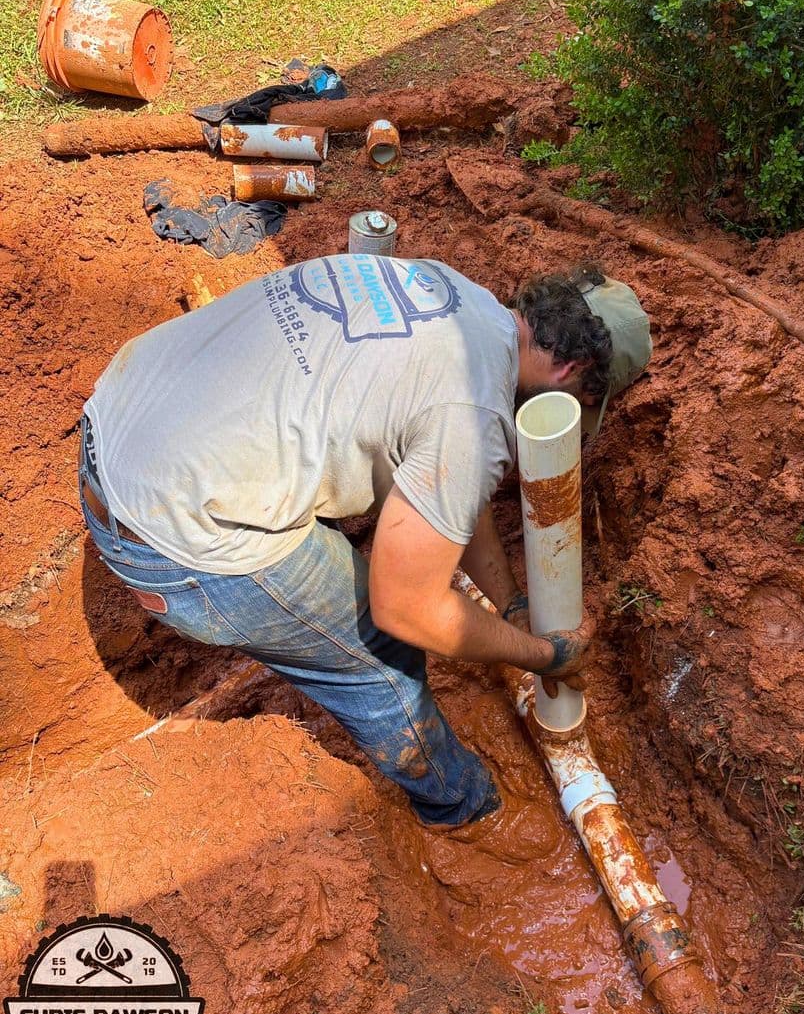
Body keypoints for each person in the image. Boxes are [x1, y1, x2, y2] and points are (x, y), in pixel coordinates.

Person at [79, 253, 651, 841]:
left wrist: (509, 608)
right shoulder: (472, 415)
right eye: (582, 403)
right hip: (171, 537)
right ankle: (464, 812)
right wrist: (539, 656)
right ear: (571, 370)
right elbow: (404, 607)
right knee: (379, 655)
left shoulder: (458, 294)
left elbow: (449, 488)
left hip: (119, 425)